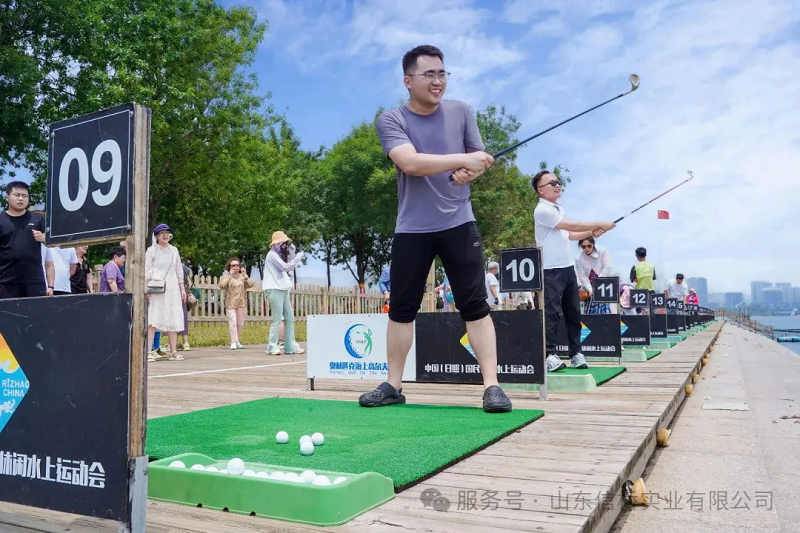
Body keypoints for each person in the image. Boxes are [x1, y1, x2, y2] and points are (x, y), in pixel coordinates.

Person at [362, 44, 512, 413]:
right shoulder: (391, 120)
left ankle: (492, 386)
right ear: (407, 80)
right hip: (412, 228)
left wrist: (471, 171)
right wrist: (464, 159)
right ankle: (393, 385)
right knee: (401, 308)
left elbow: (480, 160)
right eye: (429, 74)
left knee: (475, 305)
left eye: (442, 73)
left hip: (459, 223)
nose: (438, 81)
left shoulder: (461, 111)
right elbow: (411, 163)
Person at [532, 169, 616, 372]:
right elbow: (572, 225)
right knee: (552, 314)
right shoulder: (542, 210)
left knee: (573, 313)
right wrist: (600, 223)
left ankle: (576, 353)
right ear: (541, 190)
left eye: (557, 181)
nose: (557, 185)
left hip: (567, 268)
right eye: (552, 183)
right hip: (550, 270)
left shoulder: (558, 208)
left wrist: (591, 232)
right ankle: (549, 355)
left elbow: (568, 234)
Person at [0, 182, 53, 298]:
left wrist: (43, 238)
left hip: (34, 281)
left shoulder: (37, 219)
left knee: (36, 310)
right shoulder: (1, 219)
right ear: (7, 197)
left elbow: (52, 244)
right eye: (17, 195)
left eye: (24, 196)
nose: (21, 198)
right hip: (6, 282)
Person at [145, 224, 187, 362]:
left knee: (172, 318)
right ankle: (149, 351)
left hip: (172, 287)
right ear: (156, 236)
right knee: (153, 319)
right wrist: (146, 288)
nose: (165, 235)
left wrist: (182, 289)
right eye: (161, 233)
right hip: (157, 287)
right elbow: (147, 270)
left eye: (167, 232)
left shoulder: (174, 250)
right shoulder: (152, 250)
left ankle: (173, 351)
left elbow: (178, 270)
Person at [263, 230, 305, 355]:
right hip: (274, 288)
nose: (284, 245)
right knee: (277, 318)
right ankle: (272, 346)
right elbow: (286, 267)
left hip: (282, 288)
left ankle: (290, 346)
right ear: (276, 244)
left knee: (290, 318)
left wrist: (292, 254)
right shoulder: (272, 255)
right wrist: (297, 258)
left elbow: (288, 265)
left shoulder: (278, 255)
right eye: (282, 243)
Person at [219, 257, 254, 350]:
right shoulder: (226, 276)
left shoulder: (242, 277)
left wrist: (245, 275)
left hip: (241, 303)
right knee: (233, 322)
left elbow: (250, 284)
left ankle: (237, 340)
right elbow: (221, 285)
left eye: (237, 265)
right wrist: (229, 276)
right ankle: (233, 342)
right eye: (233, 265)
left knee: (240, 323)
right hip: (230, 303)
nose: (236, 267)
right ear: (229, 267)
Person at [574, 236, 612, 314]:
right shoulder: (578, 258)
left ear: (593, 244)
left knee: (604, 312)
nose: (587, 248)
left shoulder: (602, 251)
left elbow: (607, 268)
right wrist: (590, 289)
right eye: (584, 247)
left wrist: (598, 284)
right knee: (589, 313)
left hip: (602, 286)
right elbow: (582, 276)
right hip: (589, 290)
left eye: (589, 246)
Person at [630, 247, 656, 314]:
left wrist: (638, 279)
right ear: (645, 255)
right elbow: (653, 278)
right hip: (651, 292)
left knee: (640, 315)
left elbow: (633, 280)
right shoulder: (652, 266)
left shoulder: (635, 267)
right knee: (652, 314)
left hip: (639, 293)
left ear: (637, 256)